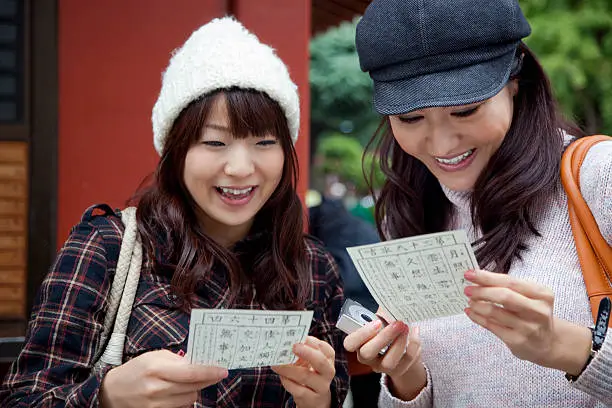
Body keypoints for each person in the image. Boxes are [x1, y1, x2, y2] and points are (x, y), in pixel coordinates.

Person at [0, 17, 348, 408]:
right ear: (175, 151)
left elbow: (333, 395)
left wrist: (317, 402)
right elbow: (24, 398)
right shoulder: (109, 246)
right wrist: (107, 396)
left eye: (264, 142)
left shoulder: (312, 265)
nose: (240, 167)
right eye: (215, 142)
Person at [343, 0, 612, 407]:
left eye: (465, 111)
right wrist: (405, 378)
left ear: (516, 78)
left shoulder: (597, 176)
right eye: (410, 119)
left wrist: (565, 346)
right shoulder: (414, 209)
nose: (441, 144)